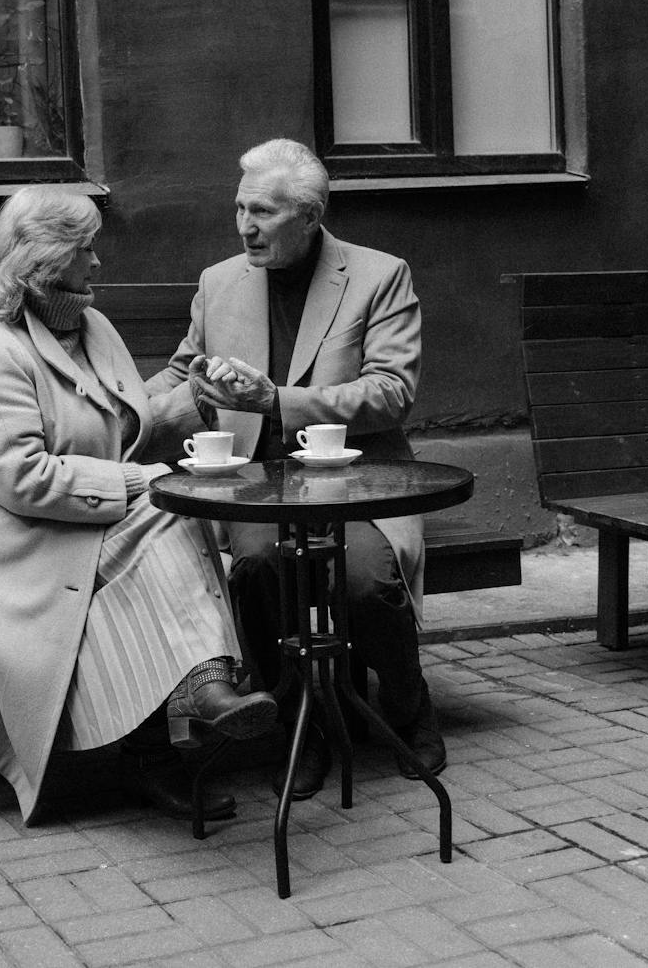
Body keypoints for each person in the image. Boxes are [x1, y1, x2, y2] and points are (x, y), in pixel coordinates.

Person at [0, 185, 277, 826]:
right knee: (167, 511)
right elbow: (19, 478)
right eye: (85, 249)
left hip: (81, 515)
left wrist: (199, 397)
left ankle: (191, 707)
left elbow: (123, 430)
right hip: (13, 531)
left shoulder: (92, 325)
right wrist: (136, 484)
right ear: (44, 259)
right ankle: (195, 704)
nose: (97, 262)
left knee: (172, 515)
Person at [147, 138, 441, 798]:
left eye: (265, 212)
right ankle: (298, 728)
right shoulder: (219, 282)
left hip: (357, 482)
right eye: (240, 207)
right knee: (254, 567)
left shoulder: (379, 275)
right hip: (254, 487)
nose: (246, 225)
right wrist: (124, 411)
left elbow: (392, 389)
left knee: (367, 582)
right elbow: (182, 367)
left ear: (310, 217)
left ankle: (405, 701)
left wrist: (277, 402)